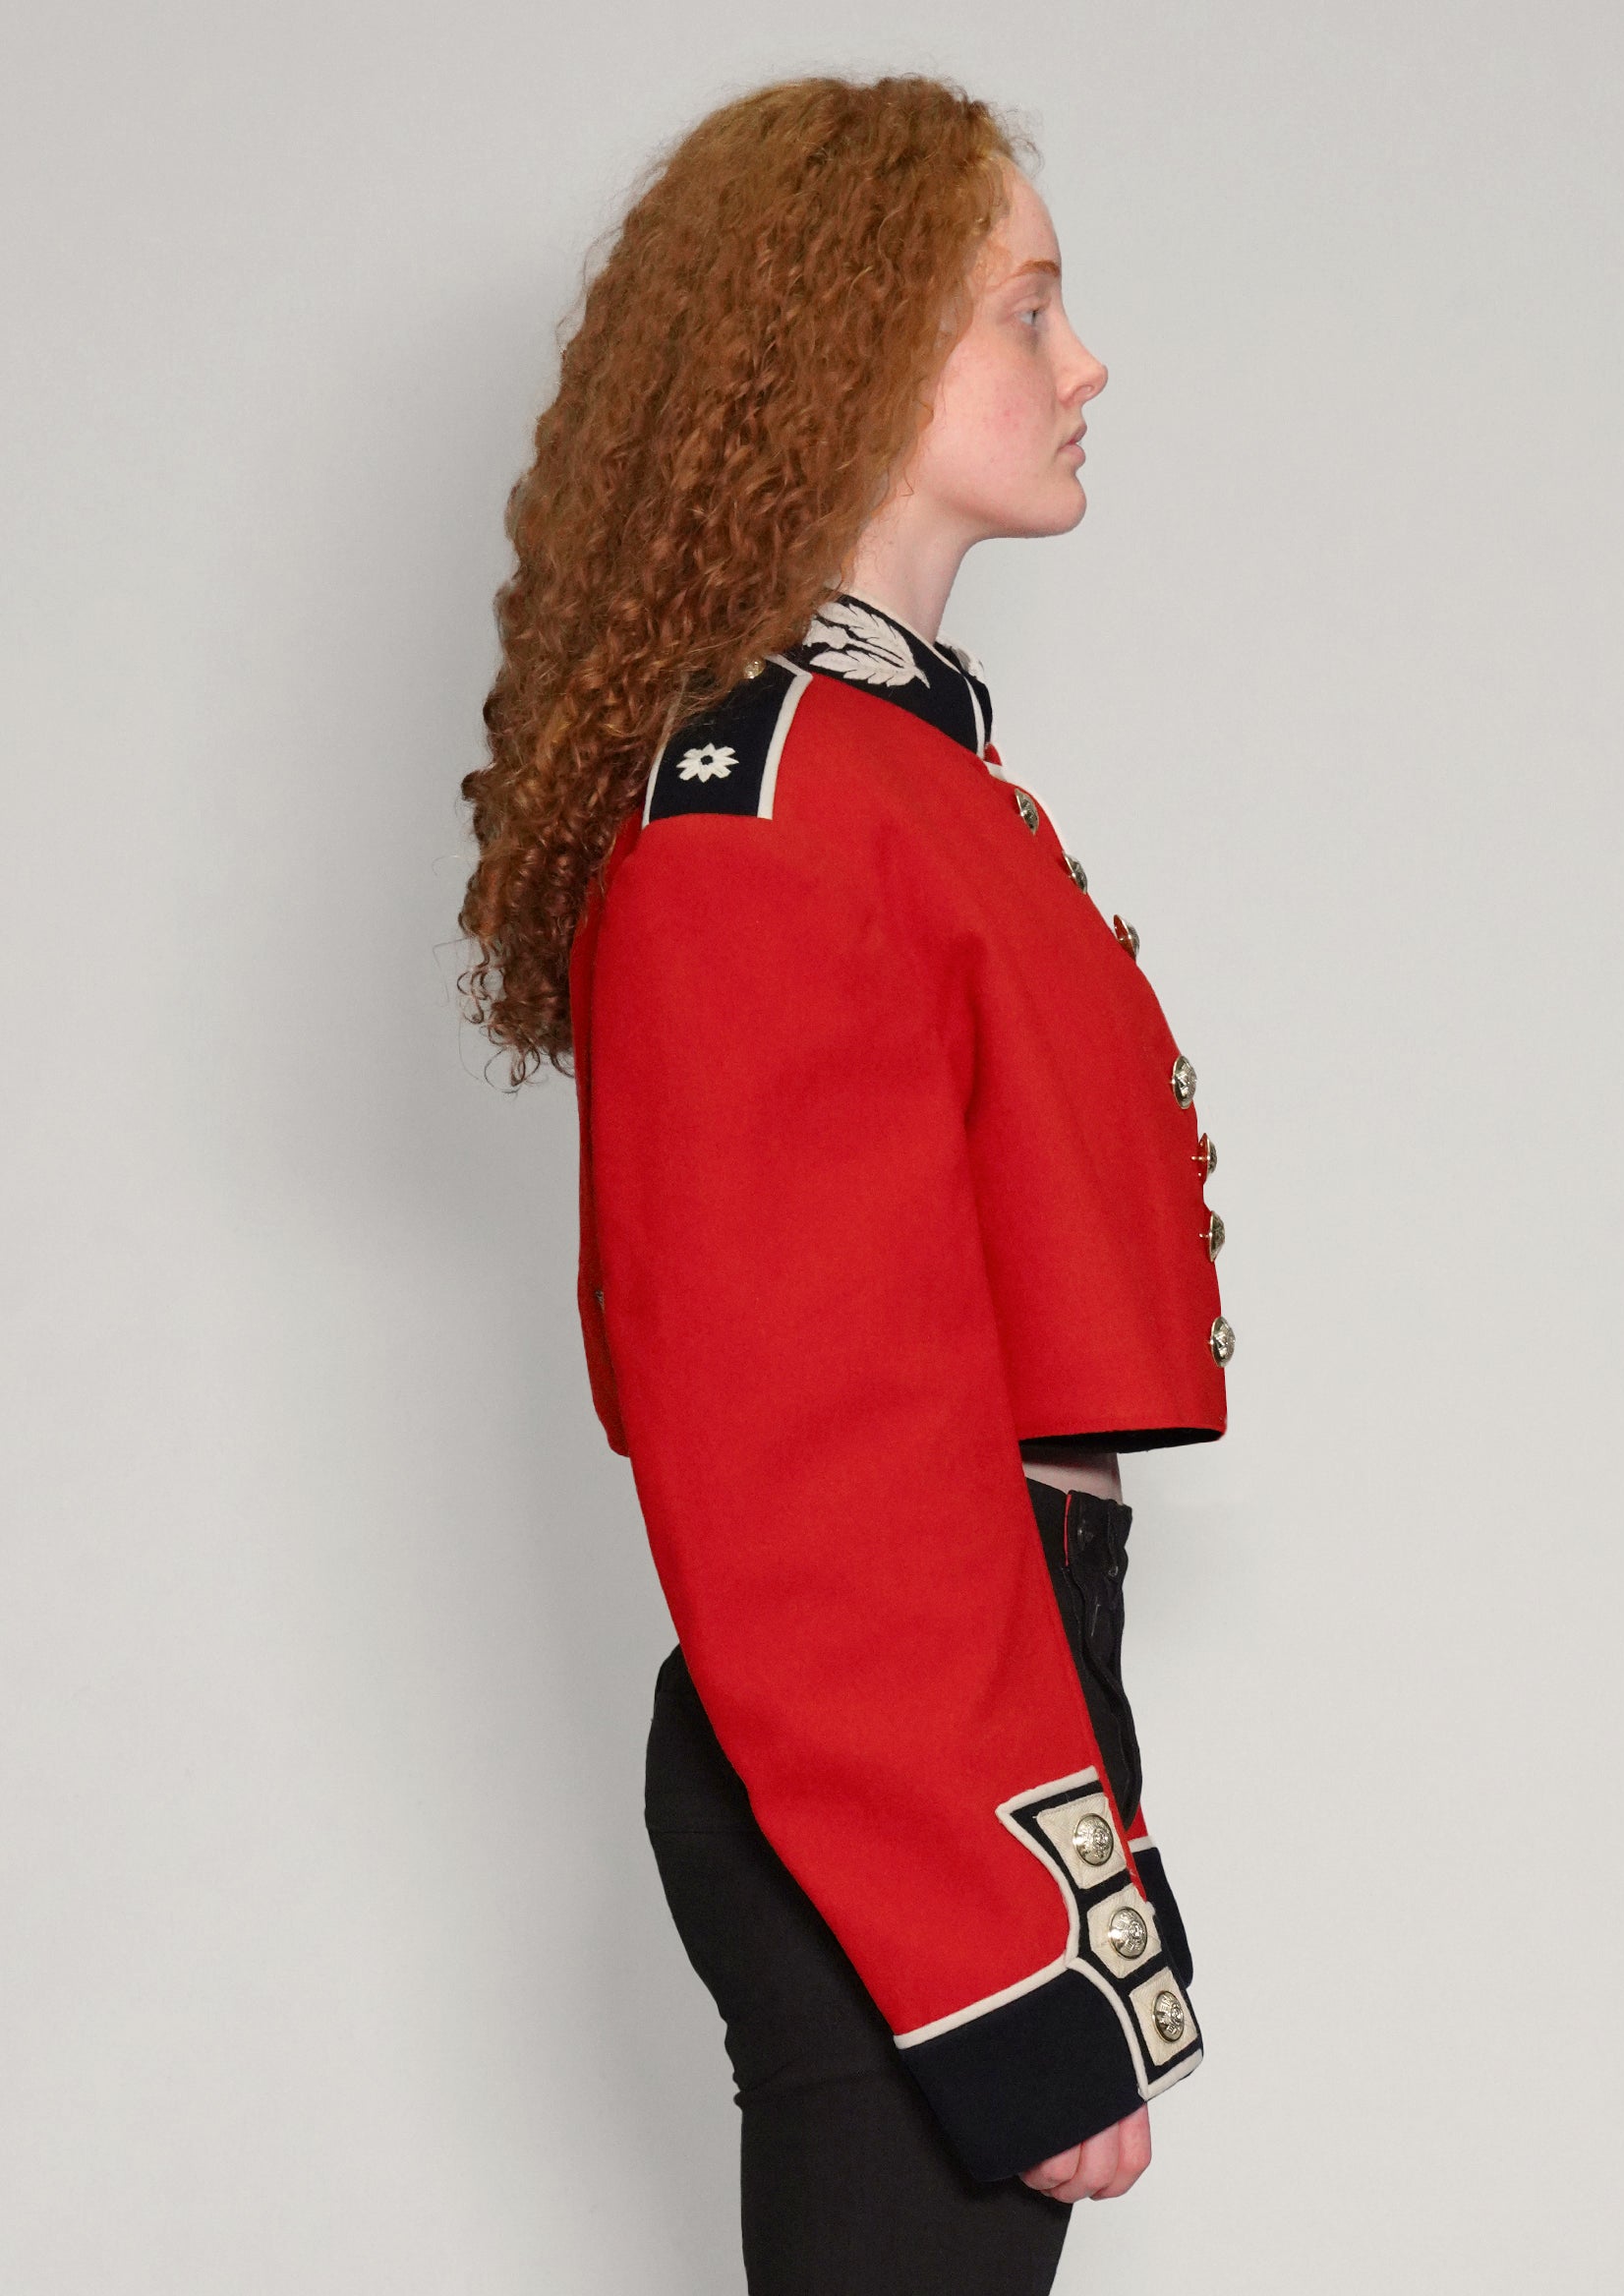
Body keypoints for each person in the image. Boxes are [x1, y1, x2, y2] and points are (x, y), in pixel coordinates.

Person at [459, 74, 1232, 2296]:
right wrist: (1004, 1935)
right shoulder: (768, 814)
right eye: (1028, 309)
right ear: (861, 353)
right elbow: (806, 1454)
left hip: (981, 1698)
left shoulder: (884, 772)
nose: (1085, 363)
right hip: (890, 1759)